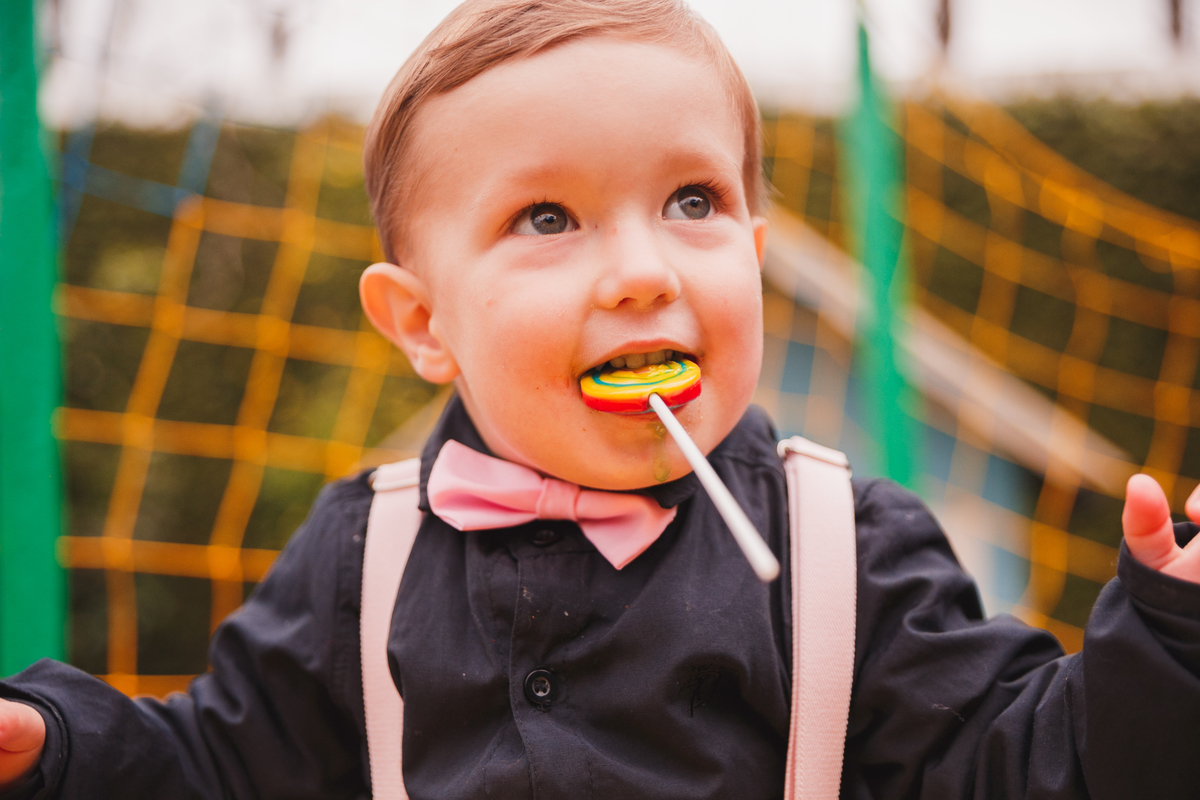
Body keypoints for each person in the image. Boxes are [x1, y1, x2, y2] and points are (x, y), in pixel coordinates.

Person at [2, 1, 1199, 797]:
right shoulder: (365, 551)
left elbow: (1026, 764)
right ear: (422, 322)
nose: (642, 270)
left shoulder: (852, 552)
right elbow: (220, 761)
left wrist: (1169, 641)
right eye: (547, 218)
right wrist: (51, 746)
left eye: (692, 202)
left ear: (756, 242)